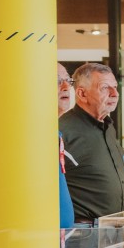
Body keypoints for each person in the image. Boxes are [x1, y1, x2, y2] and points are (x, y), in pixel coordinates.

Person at [59, 62, 124, 225]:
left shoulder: (108, 128)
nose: (114, 93)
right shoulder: (63, 131)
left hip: (114, 233)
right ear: (82, 94)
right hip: (84, 235)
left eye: (115, 87)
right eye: (105, 88)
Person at [57, 63, 75, 231]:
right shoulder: (31, 137)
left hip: (62, 240)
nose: (65, 87)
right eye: (57, 81)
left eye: (68, 81)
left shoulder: (55, 134)